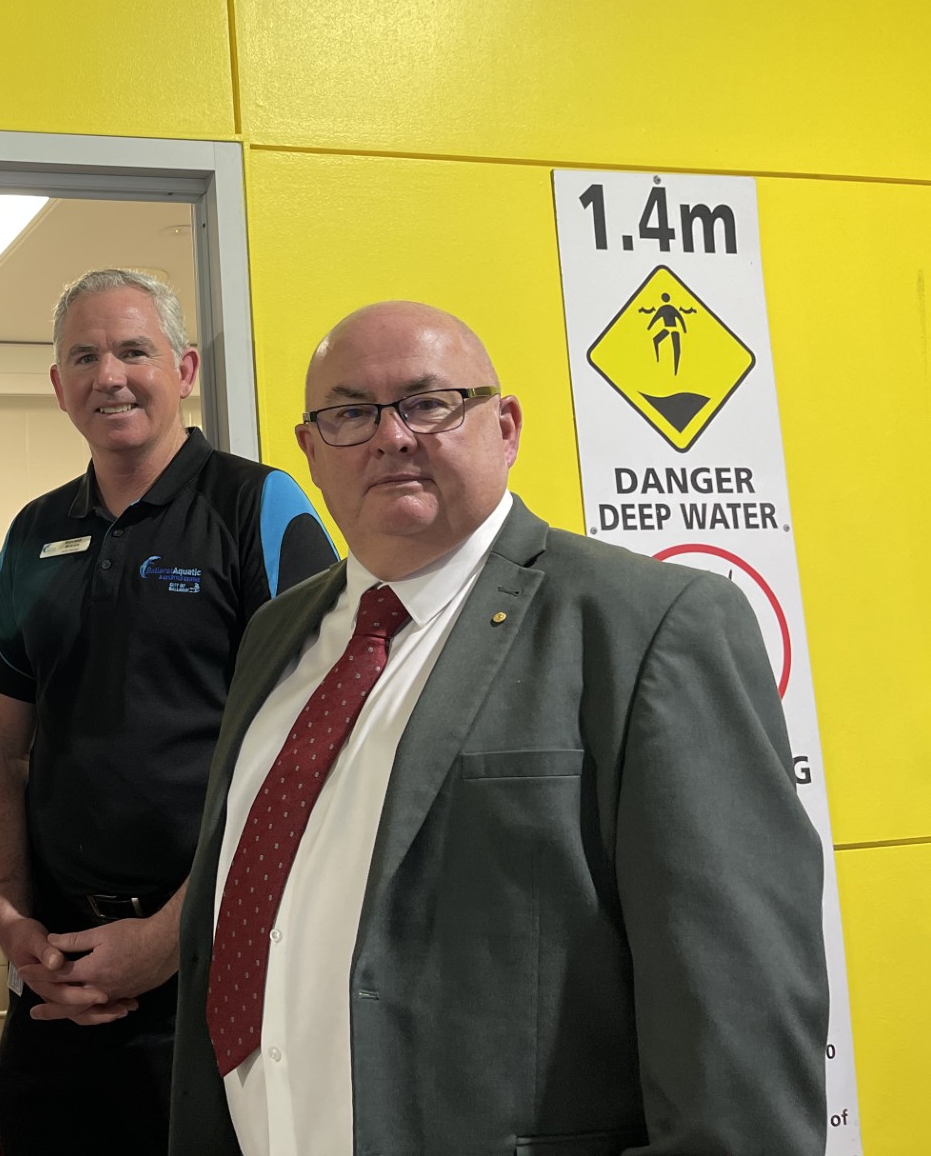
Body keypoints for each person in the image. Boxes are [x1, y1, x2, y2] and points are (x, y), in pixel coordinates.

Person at [170, 301, 827, 1156]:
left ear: (505, 427)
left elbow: (741, 1046)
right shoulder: (275, 638)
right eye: (350, 413)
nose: (392, 436)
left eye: (429, 402)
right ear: (311, 452)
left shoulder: (648, 628)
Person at [0, 268, 336, 1156]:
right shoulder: (32, 534)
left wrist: (175, 932)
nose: (110, 376)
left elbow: (319, 752)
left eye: (134, 350)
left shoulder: (258, 507)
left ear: (186, 367)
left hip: (215, 968)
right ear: (59, 387)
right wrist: (11, 915)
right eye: (84, 357)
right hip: (55, 972)